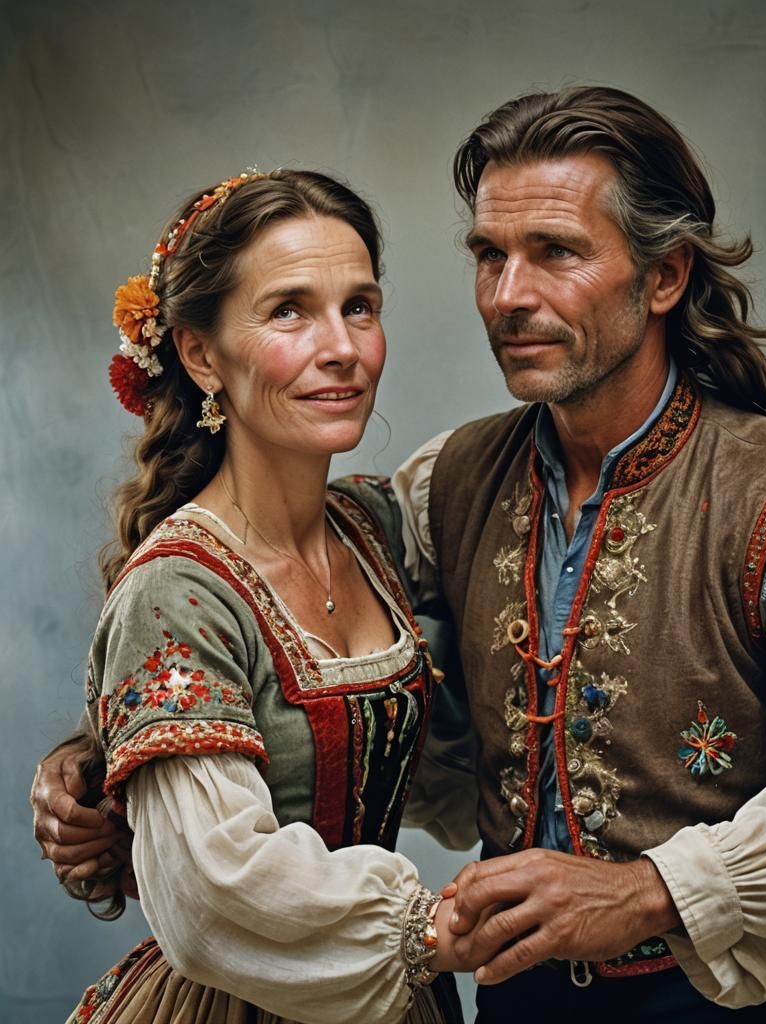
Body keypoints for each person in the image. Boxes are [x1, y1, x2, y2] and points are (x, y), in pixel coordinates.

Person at [35, 88, 766, 1022]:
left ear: (664, 276)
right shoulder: (448, 488)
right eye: (490, 255)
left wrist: (649, 890)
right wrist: (100, 764)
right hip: (515, 1005)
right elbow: (255, 615)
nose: (510, 295)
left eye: (556, 252)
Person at [42, 169, 479, 1024]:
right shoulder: (177, 590)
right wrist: (434, 929)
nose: (342, 346)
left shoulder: (374, 529)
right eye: (289, 310)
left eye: (359, 305)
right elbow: (213, 897)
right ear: (201, 353)